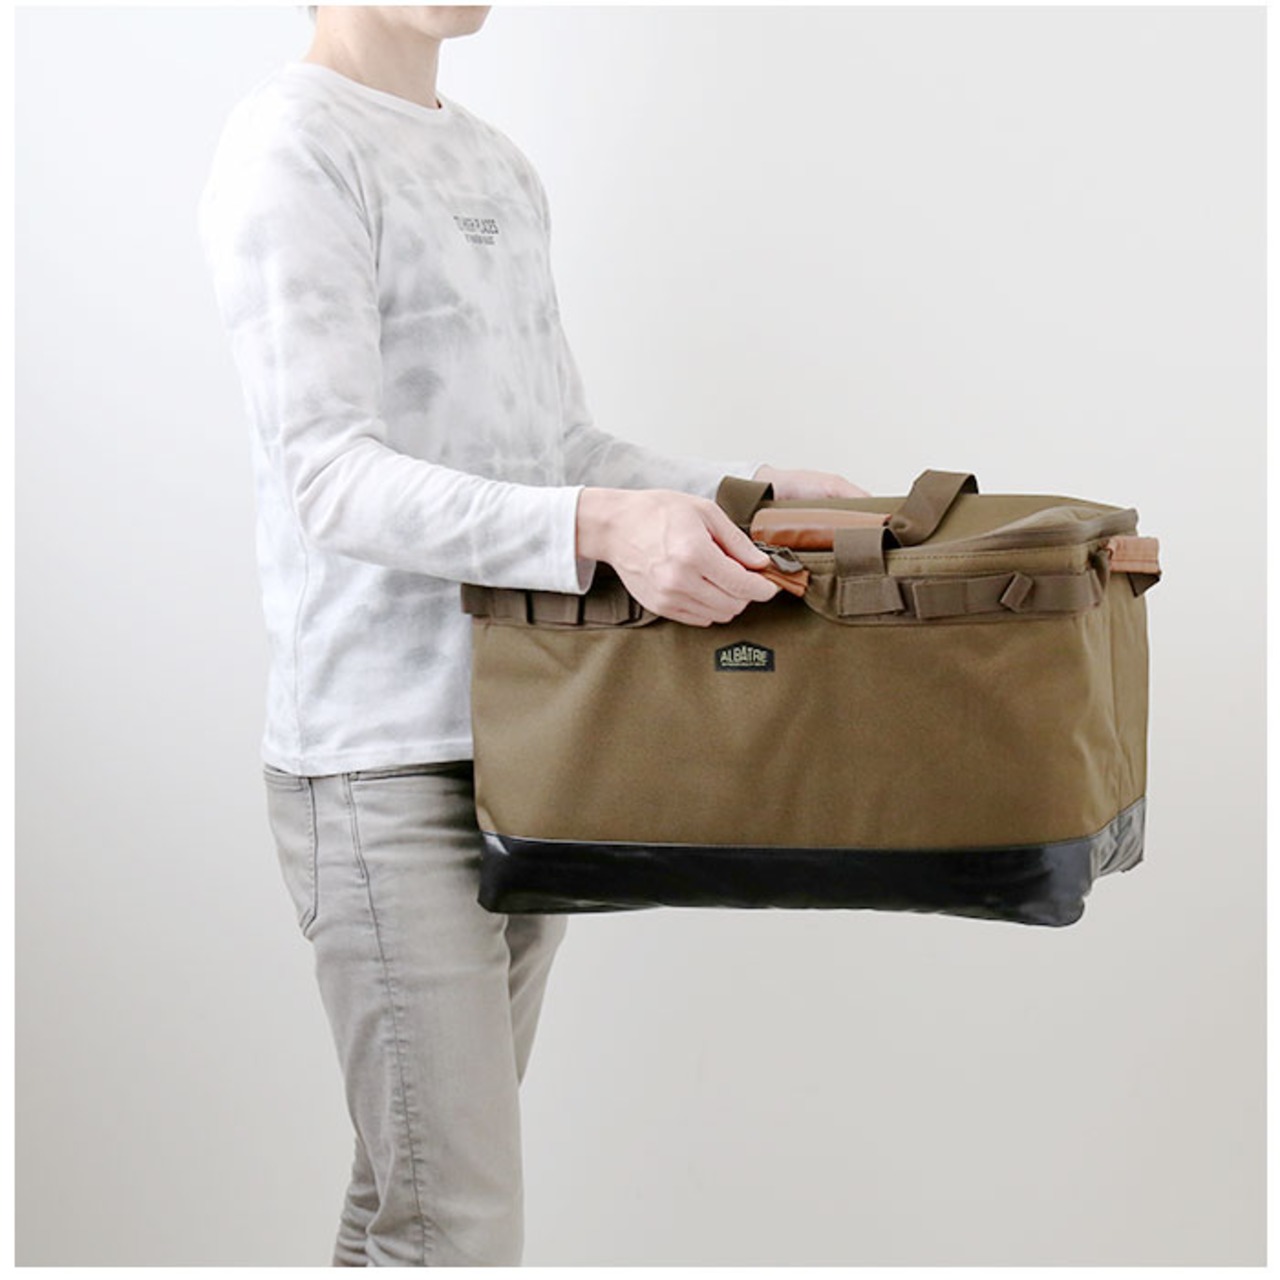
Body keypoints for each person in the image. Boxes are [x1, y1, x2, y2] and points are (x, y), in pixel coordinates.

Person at [197, 5, 867, 1266]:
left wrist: (748, 496)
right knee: (451, 1218)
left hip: (528, 731)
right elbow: (329, 478)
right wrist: (604, 525)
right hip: (376, 761)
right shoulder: (291, 142)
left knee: (412, 1198)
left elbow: (556, 447)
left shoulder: (493, 162)